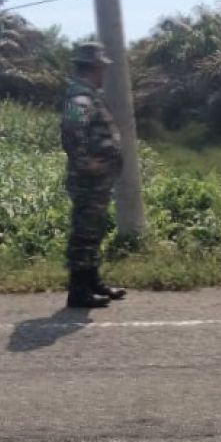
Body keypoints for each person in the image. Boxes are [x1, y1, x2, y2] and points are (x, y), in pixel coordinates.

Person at [60, 42, 128, 308]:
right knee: (84, 233)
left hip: (97, 180)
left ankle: (92, 281)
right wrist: (85, 162)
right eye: (102, 68)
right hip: (88, 180)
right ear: (94, 67)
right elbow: (71, 128)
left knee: (94, 230)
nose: (105, 73)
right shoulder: (80, 96)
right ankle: (78, 291)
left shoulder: (88, 93)